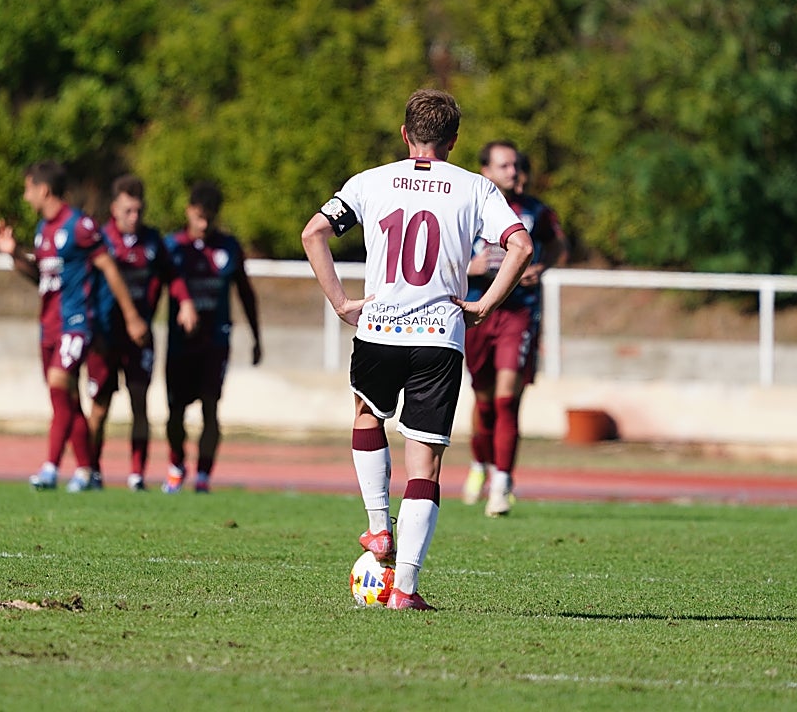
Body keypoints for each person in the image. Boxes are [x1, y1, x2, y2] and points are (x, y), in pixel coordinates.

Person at [301, 89, 533, 610]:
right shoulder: (476, 188)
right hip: (439, 337)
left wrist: (341, 302)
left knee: (367, 415)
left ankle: (378, 529)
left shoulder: (370, 181)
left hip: (378, 329)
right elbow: (521, 245)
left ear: (406, 135)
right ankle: (404, 588)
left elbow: (313, 232)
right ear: (454, 141)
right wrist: (487, 305)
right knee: (423, 465)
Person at [0, 161, 148, 492]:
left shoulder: (79, 225)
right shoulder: (42, 230)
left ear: (43, 189)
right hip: (47, 325)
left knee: (59, 383)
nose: (25, 196)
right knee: (67, 400)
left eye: (28, 188)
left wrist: (132, 316)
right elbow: (43, 277)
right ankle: (87, 470)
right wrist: (15, 254)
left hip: (75, 323)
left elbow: (109, 269)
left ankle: (50, 468)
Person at [461, 141, 569, 516]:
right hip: (477, 310)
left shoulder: (535, 210)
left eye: (515, 165)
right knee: (485, 400)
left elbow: (557, 245)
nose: (512, 171)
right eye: (503, 165)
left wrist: (540, 268)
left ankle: (502, 484)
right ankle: (481, 463)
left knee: (508, 397)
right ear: (485, 171)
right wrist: (467, 268)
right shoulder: (468, 205)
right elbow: (439, 250)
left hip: (519, 312)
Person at [85, 175, 197, 491]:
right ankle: (91, 470)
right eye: (127, 211)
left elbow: (172, 275)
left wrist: (186, 301)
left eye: (138, 211)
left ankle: (136, 475)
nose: (133, 217)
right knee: (100, 405)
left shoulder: (151, 241)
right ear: (114, 209)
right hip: (105, 336)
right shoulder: (99, 240)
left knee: (139, 403)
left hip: (140, 338)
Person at [162, 180, 262, 494]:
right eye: (199, 215)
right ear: (189, 211)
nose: (204, 222)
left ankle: (203, 475)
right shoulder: (172, 246)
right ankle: (177, 463)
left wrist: (257, 337)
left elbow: (246, 293)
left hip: (215, 340)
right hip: (180, 342)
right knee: (175, 411)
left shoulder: (228, 248)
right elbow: (155, 288)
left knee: (210, 406)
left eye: (210, 216)